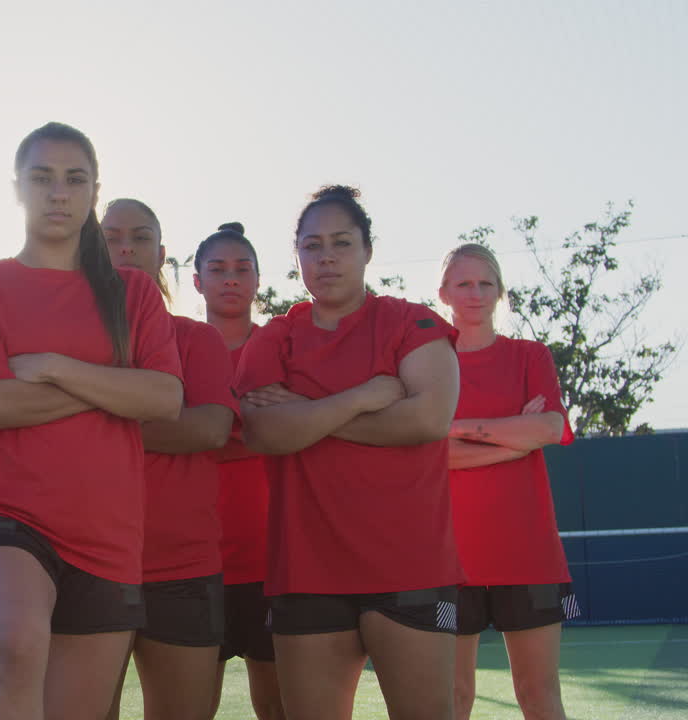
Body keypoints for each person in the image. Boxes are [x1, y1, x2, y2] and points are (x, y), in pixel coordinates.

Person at [0, 122, 183, 720]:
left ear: (94, 190)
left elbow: (164, 399)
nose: (58, 192)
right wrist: (111, 386)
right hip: (1, 513)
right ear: (16, 188)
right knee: (16, 642)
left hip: (107, 535)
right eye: (41, 177)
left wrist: (53, 367)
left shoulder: (134, 294)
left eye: (74, 179)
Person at [236, 186, 463, 720]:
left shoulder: (413, 323)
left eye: (341, 242)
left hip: (410, 564)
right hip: (306, 570)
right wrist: (360, 398)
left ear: (367, 250)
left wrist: (307, 413)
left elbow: (428, 419)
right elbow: (264, 433)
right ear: (297, 257)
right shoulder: (276, 338)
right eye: (312, 246)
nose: (327, 256)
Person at [100, 199, 235, 720]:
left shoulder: (197, 338)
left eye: (140, 236)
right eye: (112, 236)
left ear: (162, 253)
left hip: (183, 565)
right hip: (86, 564)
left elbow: (209, 429)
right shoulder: (68, 342)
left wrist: (99, 419)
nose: (127, 247)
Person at [439, 243, 576, 720]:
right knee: (452, 699)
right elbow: (432, 458)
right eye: (463, 283)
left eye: (485, 283)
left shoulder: (529, 356)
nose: (475, 293)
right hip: (448, 563)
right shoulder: (429, 365)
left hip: (529, 556)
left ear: (500, 292)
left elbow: (550, 428)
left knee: (538, 697)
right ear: (444, 293)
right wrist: (513, 437)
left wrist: (457, 428)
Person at [194, 223, 285, 719]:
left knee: (277, 704)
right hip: (194, 560)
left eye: (242, 269)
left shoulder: (281, 346)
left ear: (257, 279)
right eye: (218, 269)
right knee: (188, 706)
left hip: (273, 556)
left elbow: (294, 427)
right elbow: (181, 434)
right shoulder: (178, 347)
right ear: (196, 281)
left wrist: (217, 421)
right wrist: (250, 415)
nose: (230, 279)